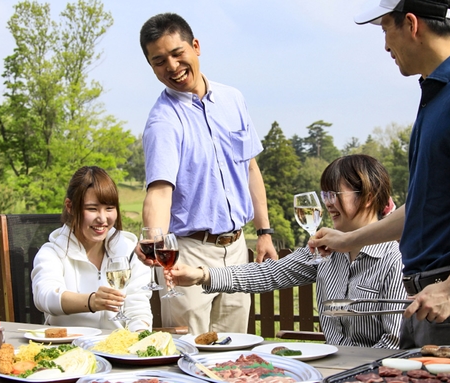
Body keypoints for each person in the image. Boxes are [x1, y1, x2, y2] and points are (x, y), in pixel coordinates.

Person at [309, 0, 450, 348]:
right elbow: (420, 210)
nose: (385, 44)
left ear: (411, 24)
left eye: (385, 27)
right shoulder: (437, 94)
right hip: (424, 298)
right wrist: (347, 241)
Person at [167, 155, 407, 348]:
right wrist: (202, 275)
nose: (328, 203)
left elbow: (394, 341)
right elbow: (267, 274)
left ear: (368, 197)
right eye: (325, 195)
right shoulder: (325, 251)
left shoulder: (394, 258)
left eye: (334, 195)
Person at [137, 13, 277, 335]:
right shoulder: (163, 122)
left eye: (176, 53)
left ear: (195, 47)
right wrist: (154, 239)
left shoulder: (233, 99)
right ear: (152, 67)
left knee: (235, 350)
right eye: (159, 61)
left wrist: (264, 232)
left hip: (239, 250)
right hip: (187, 252)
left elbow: (250, 167)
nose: (171, 66)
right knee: (190, 353)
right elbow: (159, 192)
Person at [31, 166, 152, 331]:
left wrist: (140, 342)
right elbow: (45, 296)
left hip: (116, 350)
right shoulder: (52, 253)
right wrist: (92, 302)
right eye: (92, 209)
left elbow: (138, 310)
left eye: (109, 208)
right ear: (70, 207)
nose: (102, 219)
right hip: (67, 349)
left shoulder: (131, 251)